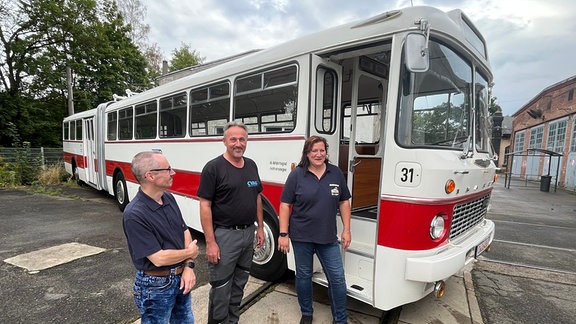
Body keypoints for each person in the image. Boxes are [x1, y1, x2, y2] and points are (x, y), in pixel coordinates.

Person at [277, 135, 352, 324]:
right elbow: (285, 205)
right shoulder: (297, 174)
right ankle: (307, 313)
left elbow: (344, 202)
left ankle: (340, 319)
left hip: (327, 238)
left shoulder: (335, 173)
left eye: (322, 150)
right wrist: (283, 234)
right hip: (301, 236)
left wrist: (347, 230)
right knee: (303, 276)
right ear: (307, 153)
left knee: (337, 279)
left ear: (326, 152)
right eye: (314, 151)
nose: (318, 154)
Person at [197, 121, 265, 324]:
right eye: (233, 139)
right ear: (224, 141)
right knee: (221, 288)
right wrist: (210, 242)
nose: (238, 143)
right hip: (225, 236)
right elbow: (205, 205)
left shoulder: (251, 165)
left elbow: (257, 198)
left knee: (239, 284)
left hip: (248, 234)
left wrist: (260, 227)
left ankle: (232, 321)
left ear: (247, 141)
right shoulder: (213, 168)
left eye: (242, 139)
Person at [123, 151, 199, 323]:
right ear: (150, 176)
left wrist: (188, 267)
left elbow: (184, 230)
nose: (173, 173)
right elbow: (159, 258)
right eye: (168, 169)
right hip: (155, 285)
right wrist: (190, 253)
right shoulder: (134, 214)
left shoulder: (168, 198)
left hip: (181, 279)